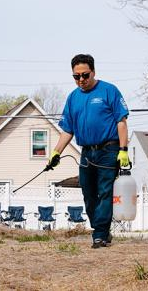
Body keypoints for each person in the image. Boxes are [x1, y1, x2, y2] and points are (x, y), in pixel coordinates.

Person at [48, 54, 130, 249]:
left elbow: (122, 121)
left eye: (85, 75)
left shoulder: (109, 91)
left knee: (104, 192)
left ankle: (99, 234)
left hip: (108, 150)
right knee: (88, 193)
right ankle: (101, 230)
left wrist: (123, 149)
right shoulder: (73, 98)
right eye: (76, 77)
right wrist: (56, 152)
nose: (81, 80)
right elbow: (68, 129)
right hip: (86, 152)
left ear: (93, 72)